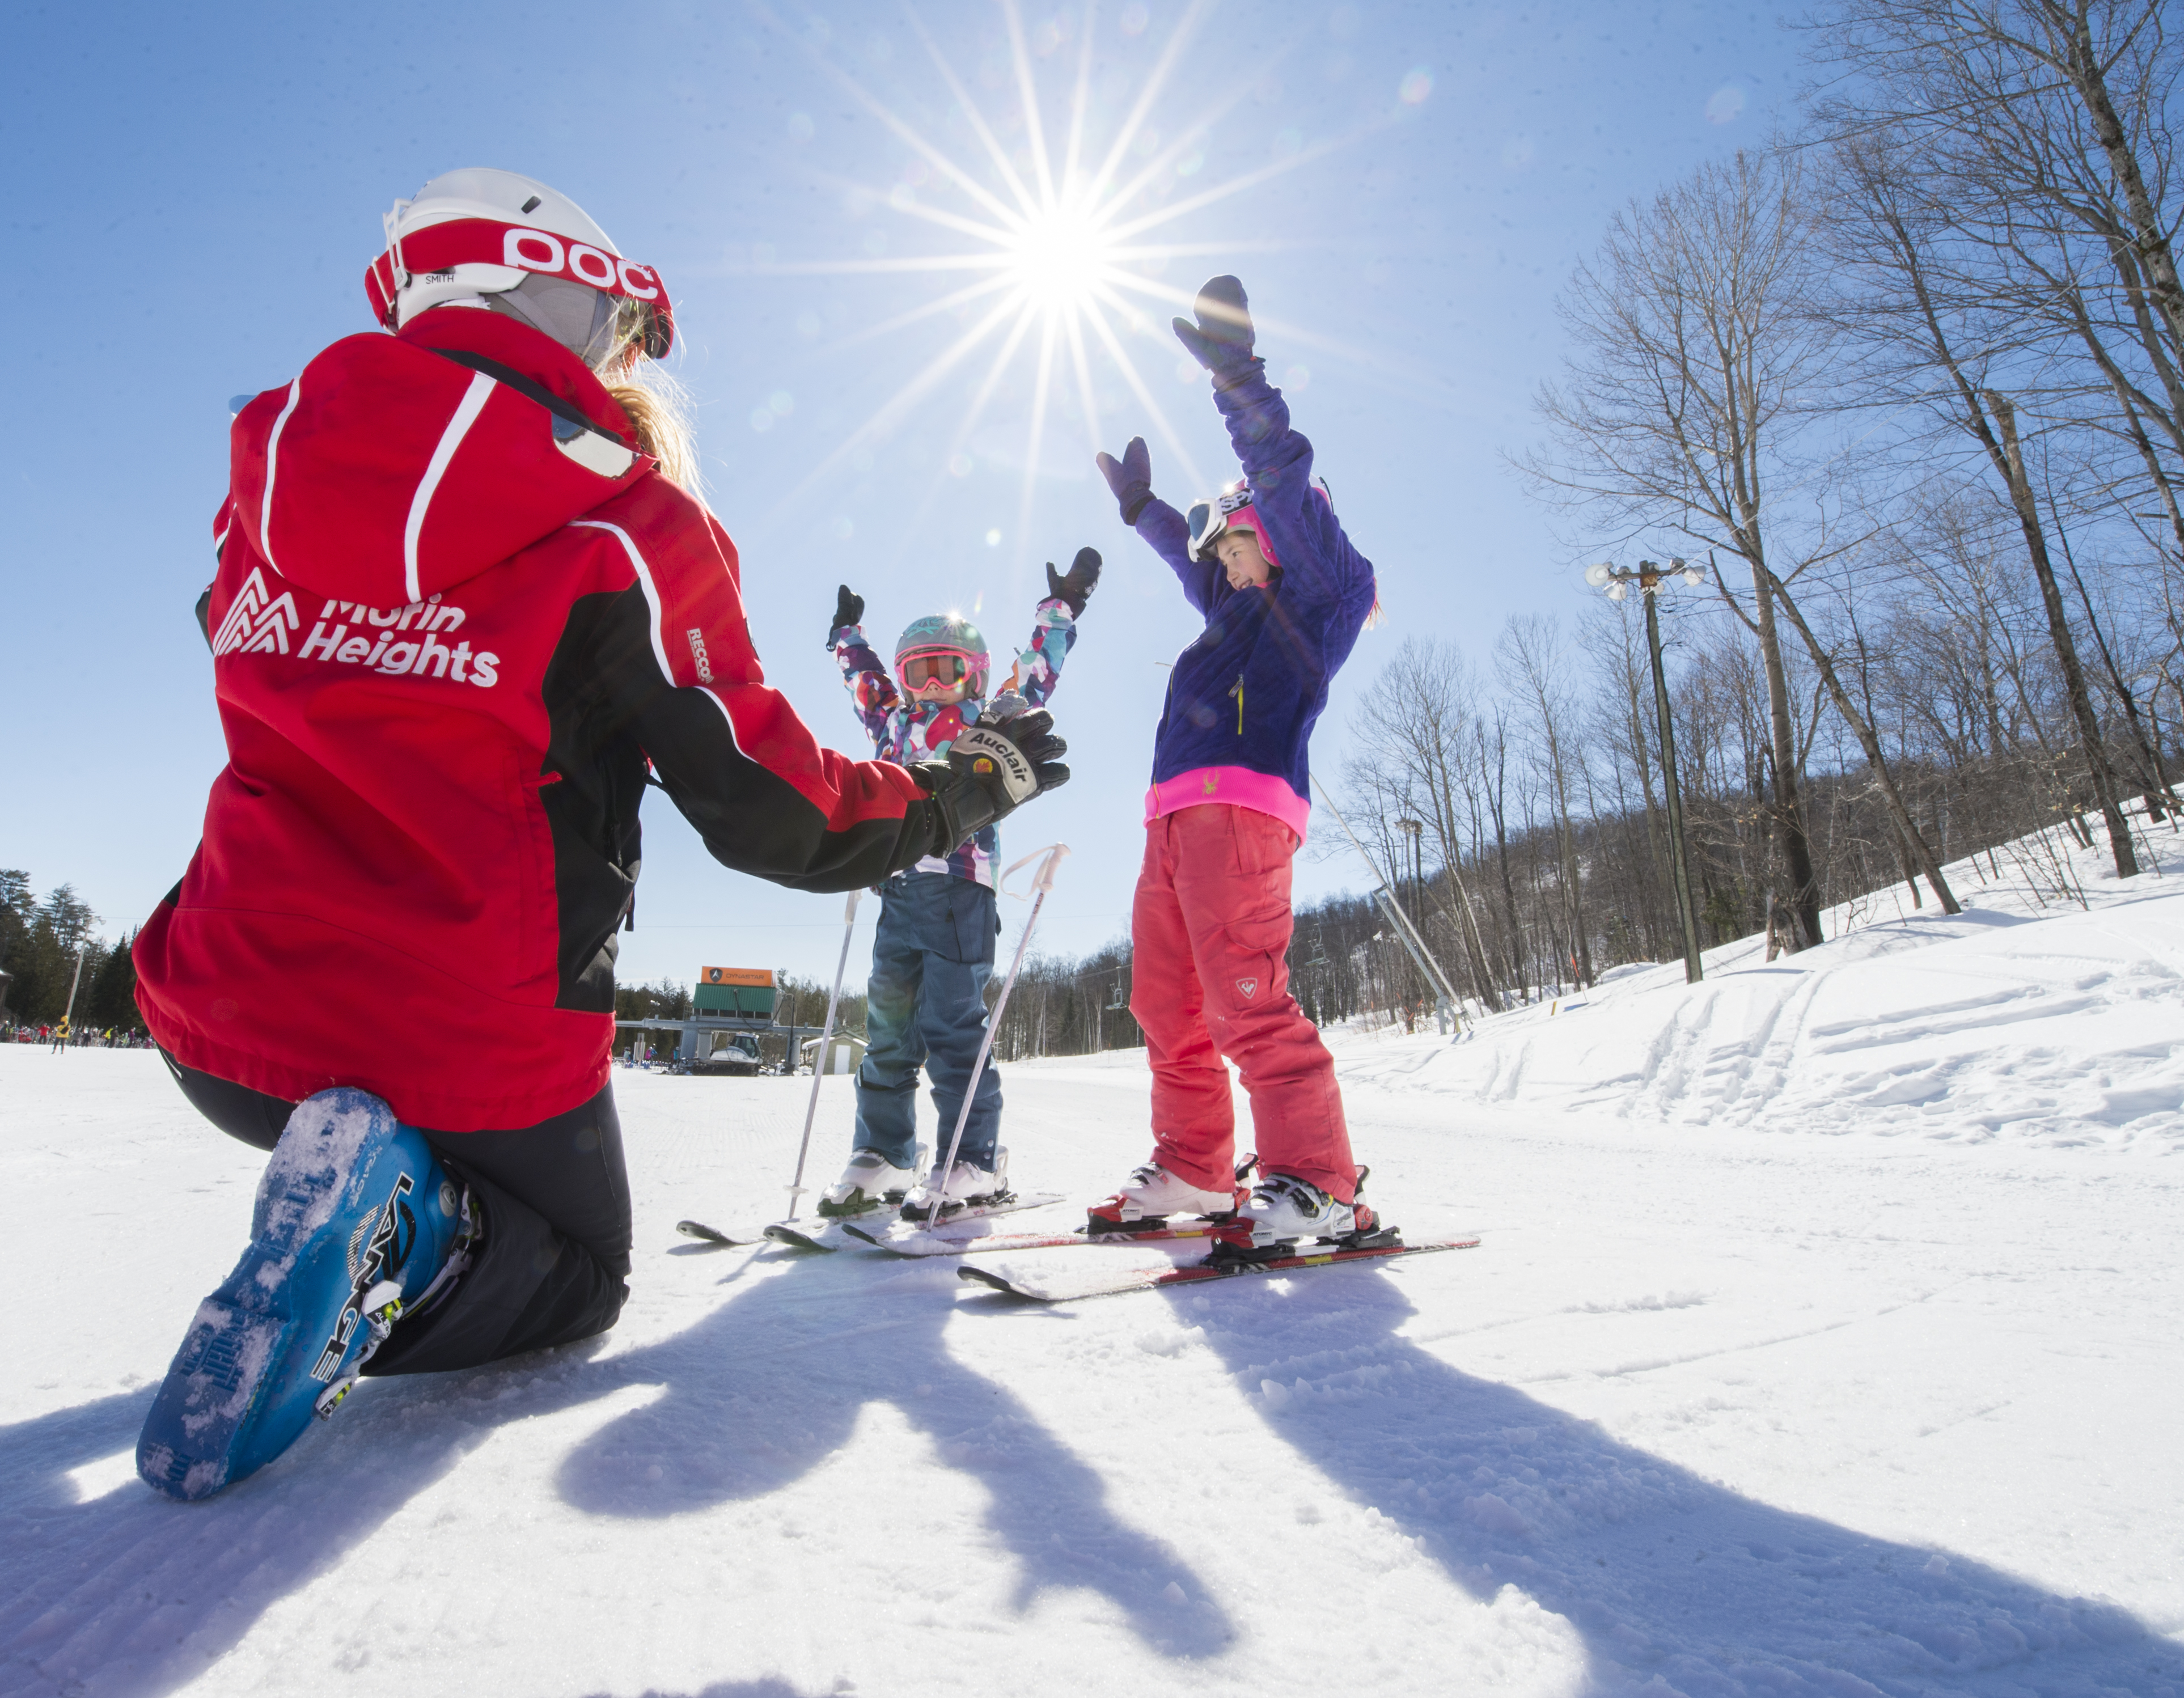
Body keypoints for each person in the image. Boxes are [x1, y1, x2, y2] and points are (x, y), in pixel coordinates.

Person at [130, 168, 1069, 1502]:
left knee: (358, 1084)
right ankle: (406, 1223)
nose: (626, 363)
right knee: (577, 1273)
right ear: (554, 289)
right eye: (623, 327)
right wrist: (957, 792)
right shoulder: (623, 524)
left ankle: (361, 1183)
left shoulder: (265, 475)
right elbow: (774, 812)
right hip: (469, 1028)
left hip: (221, 1016)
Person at [1087, 275, 1383, 1256]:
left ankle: (1319, 1180)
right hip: (1170, 820)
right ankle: (1197, 1167)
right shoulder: (1228, 609)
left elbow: (1286, 488)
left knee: (1245, 998)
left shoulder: (1324, 600)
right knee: (1163, 1001)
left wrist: (1239, 385)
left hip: (1244, 818)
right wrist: (1142, 511)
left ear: (1283, 535)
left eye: (1232, 528)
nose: (1215, 547)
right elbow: (1187, 558)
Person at [816, 556, 1094, 1220]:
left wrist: (1059, 610)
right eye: (921, 673)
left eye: (949, 671)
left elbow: (1035, 674)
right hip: (898, 892)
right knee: (887, 1028)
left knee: (950, 1025)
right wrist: (847, 638)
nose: (935, 686)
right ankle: (884, 1152)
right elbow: (867, 683)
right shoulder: (891, 726)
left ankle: (971, 1159)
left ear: (971, 674)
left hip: (962, 891)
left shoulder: (989, 719)